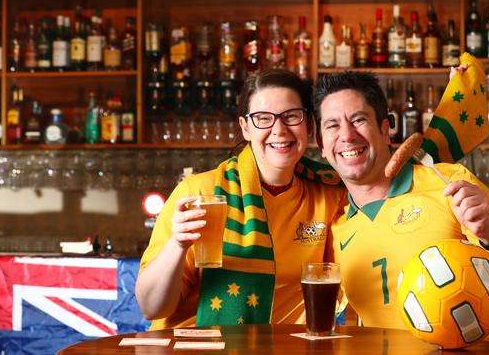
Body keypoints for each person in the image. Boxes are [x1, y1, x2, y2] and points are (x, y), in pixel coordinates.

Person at [313, 70, 489, 347]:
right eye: (332, 125)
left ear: (384, 130)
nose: (346, 135)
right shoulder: (336, 228)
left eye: (359, 119)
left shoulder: (449, 183)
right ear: (321, 145)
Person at [136, 68, 346, 330]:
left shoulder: (329, 196)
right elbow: (151, 307)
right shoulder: (199, 194)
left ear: (309, 125)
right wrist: (177, 246)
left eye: (291, 116)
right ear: (245, 127)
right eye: (263, 118)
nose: (279, 129)